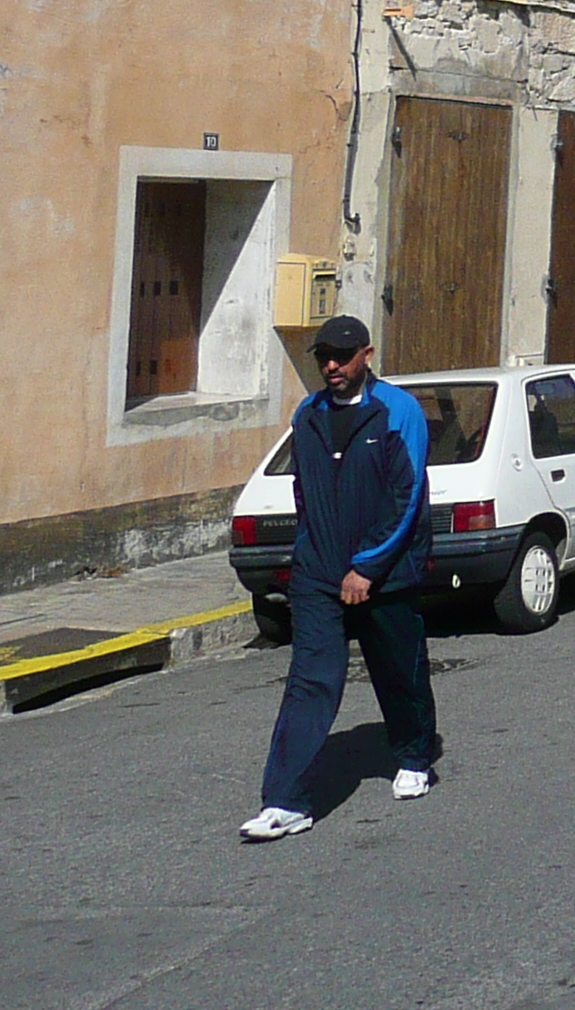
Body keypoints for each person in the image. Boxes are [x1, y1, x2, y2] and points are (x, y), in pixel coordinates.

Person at [240, 315, 442, 841]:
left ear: (366, 356)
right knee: (310, 682)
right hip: (319, 575)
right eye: (324, 357)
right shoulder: (306, 415)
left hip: (386, 573)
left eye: (342, 356)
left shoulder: (398, 412)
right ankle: (286, 801)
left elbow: (407, 498)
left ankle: (415, 755)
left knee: (399, 671)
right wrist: (313, 559)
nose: (332, 365)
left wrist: (368, 566)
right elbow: (304, 494)